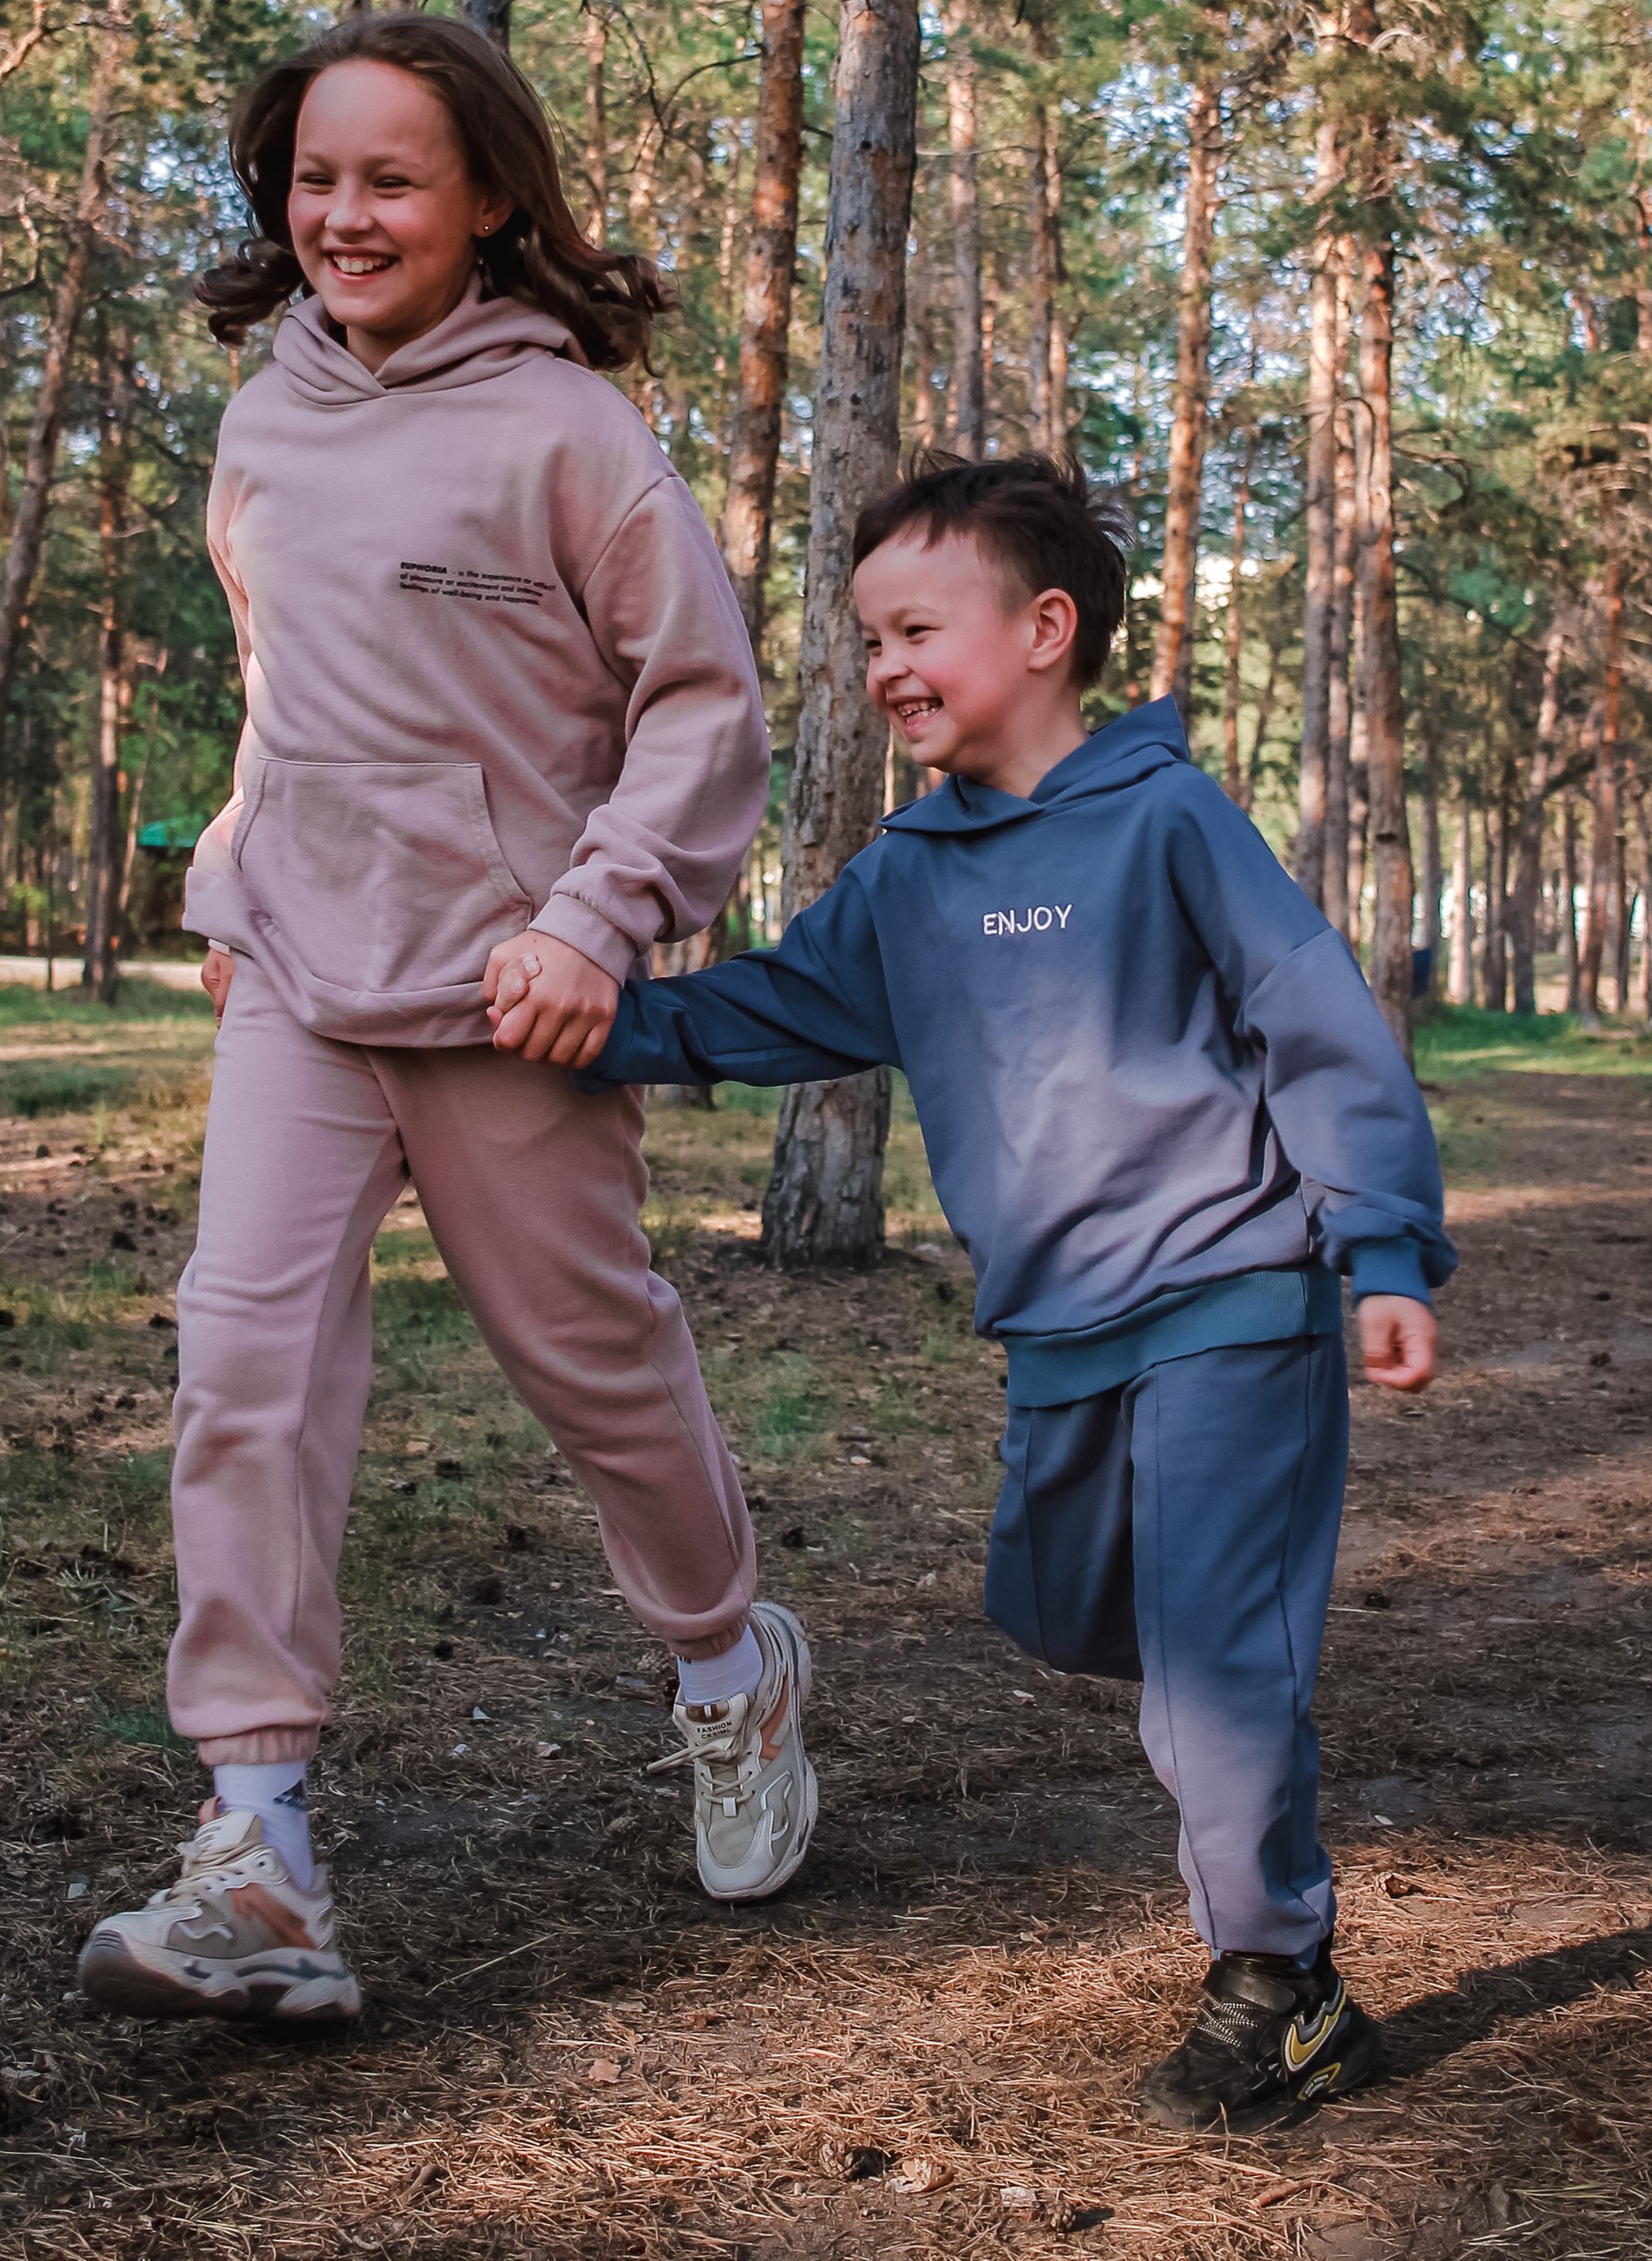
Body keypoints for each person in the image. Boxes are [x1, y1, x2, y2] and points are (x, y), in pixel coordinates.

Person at [491, 451, 1452, 2127]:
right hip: (1061, 1331)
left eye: (917, 628)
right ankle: (1226, 1780)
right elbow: (772, 1008)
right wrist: (598, 1021)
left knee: (1215, 1663)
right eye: (868, 642)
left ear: (1048, 628)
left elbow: (1317, 1023)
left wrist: (1378, 1246)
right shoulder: (910, 873)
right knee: (1080, 1613)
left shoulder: (1168, 819)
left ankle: (1281, 1981)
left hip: (1238, 1294)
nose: (883, 671)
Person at [76, 13, 817, 2026]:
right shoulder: (261, 423)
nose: (344, 215)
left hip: (513, 997)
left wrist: (598, 922)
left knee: (592, 1371)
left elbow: (699, 703)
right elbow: (288, 687)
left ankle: (728, 1670)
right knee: (242, 1366)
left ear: (487, 198)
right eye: (315, 179)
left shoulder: (568, 432)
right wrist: (238, 869)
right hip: (301, 983)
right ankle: (258, 1848)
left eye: (388, 179)